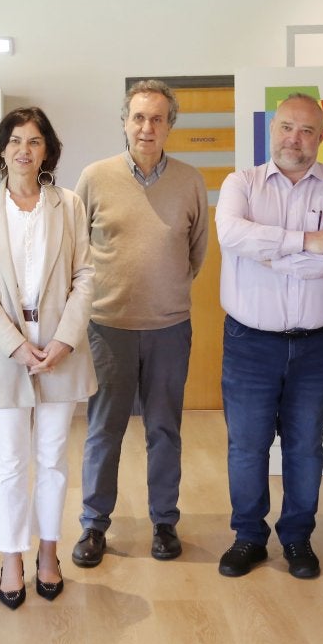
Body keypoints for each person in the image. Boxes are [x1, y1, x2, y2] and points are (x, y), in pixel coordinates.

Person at [214, 93, 323, 580]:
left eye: (305, 131)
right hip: (250, 344)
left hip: (318, 345)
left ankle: (297, 538)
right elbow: (230, 235)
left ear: (321, 138)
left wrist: (268, 253)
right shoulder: (243, 183)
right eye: (286, 128)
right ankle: (248, 537)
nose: (294, 139)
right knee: (247, 446)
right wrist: (304, 242)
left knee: (305, 446)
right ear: (271, 130)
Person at [70, 79, 208, 568]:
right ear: (124, 121)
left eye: (157, 118)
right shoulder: (94, 177)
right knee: (104, 429)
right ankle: (93, 526)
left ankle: (165, 522)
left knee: (165, 429)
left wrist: (162, 293)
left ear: (170, 124)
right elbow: (77, 250)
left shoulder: (191, 181)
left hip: (170, 327)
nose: (147, 127)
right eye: (138, 117)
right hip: (108, 326)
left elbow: (196, 254)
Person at [0, 108, 96, 609]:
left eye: (35, 141)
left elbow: (85, 274)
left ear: (48, 150)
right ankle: (12, 556)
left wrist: (63, 339)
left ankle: (48, 552)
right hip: (7, 349)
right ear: (2, 149)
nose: (24, 150)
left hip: (62, 345)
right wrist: (15, 344)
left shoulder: (70, 204)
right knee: (10, 460)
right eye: (16, 140)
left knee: (53, 459)